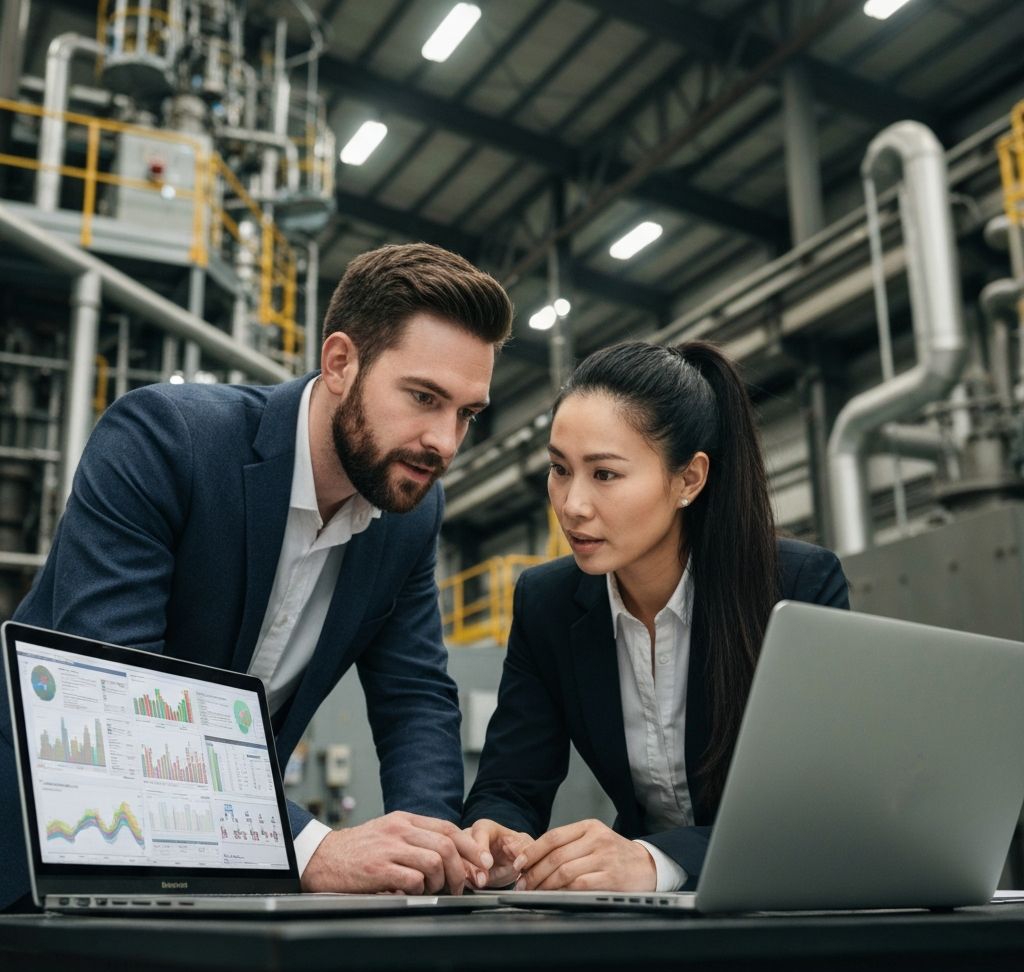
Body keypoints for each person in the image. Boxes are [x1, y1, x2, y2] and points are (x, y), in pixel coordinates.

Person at [1, 242, 513, 911]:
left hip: (213, 872)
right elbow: (124, 691)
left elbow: (414, 694)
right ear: (340, 363)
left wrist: (433, 847)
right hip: (44, 843)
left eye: (466, 414)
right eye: (423, 397)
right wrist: (312, 848)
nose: (445, 441)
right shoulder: (165, 440)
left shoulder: (408, 513)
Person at [463, 340, 849, 892]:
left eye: (605, 474)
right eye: (558, 469)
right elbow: (511, 783)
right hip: (645, 917)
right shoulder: (546, 604)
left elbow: (818, 807)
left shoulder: (797, 588)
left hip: (784, 901)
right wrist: (495, 835)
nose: (572, 505)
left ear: (689, 479)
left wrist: (654, 861)